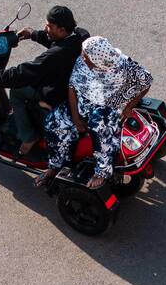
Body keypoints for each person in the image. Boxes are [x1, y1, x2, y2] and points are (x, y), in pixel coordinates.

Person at [37, 36, 153, 190]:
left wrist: (129, 107)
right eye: (83, 52)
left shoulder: (124, 65)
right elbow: (72, 87)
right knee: (52, 123)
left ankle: (102, 172)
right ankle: (56, 165)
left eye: (86, 54)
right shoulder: (83, 62)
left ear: (98, 58)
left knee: (99, 130)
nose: (82, 56)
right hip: (84, 104)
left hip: (109, 106)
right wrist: (76, 119)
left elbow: (146, 81)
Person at [0, 6, 89, 159]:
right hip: (71, 86)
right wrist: (33, 34)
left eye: (49, 26)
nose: (46, 28)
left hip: (57, 93)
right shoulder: (80, 36)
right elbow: (56, 42)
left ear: (62, 29)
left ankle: (28, 137)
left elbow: (25, 72)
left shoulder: (56, 55)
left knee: (17, 91)